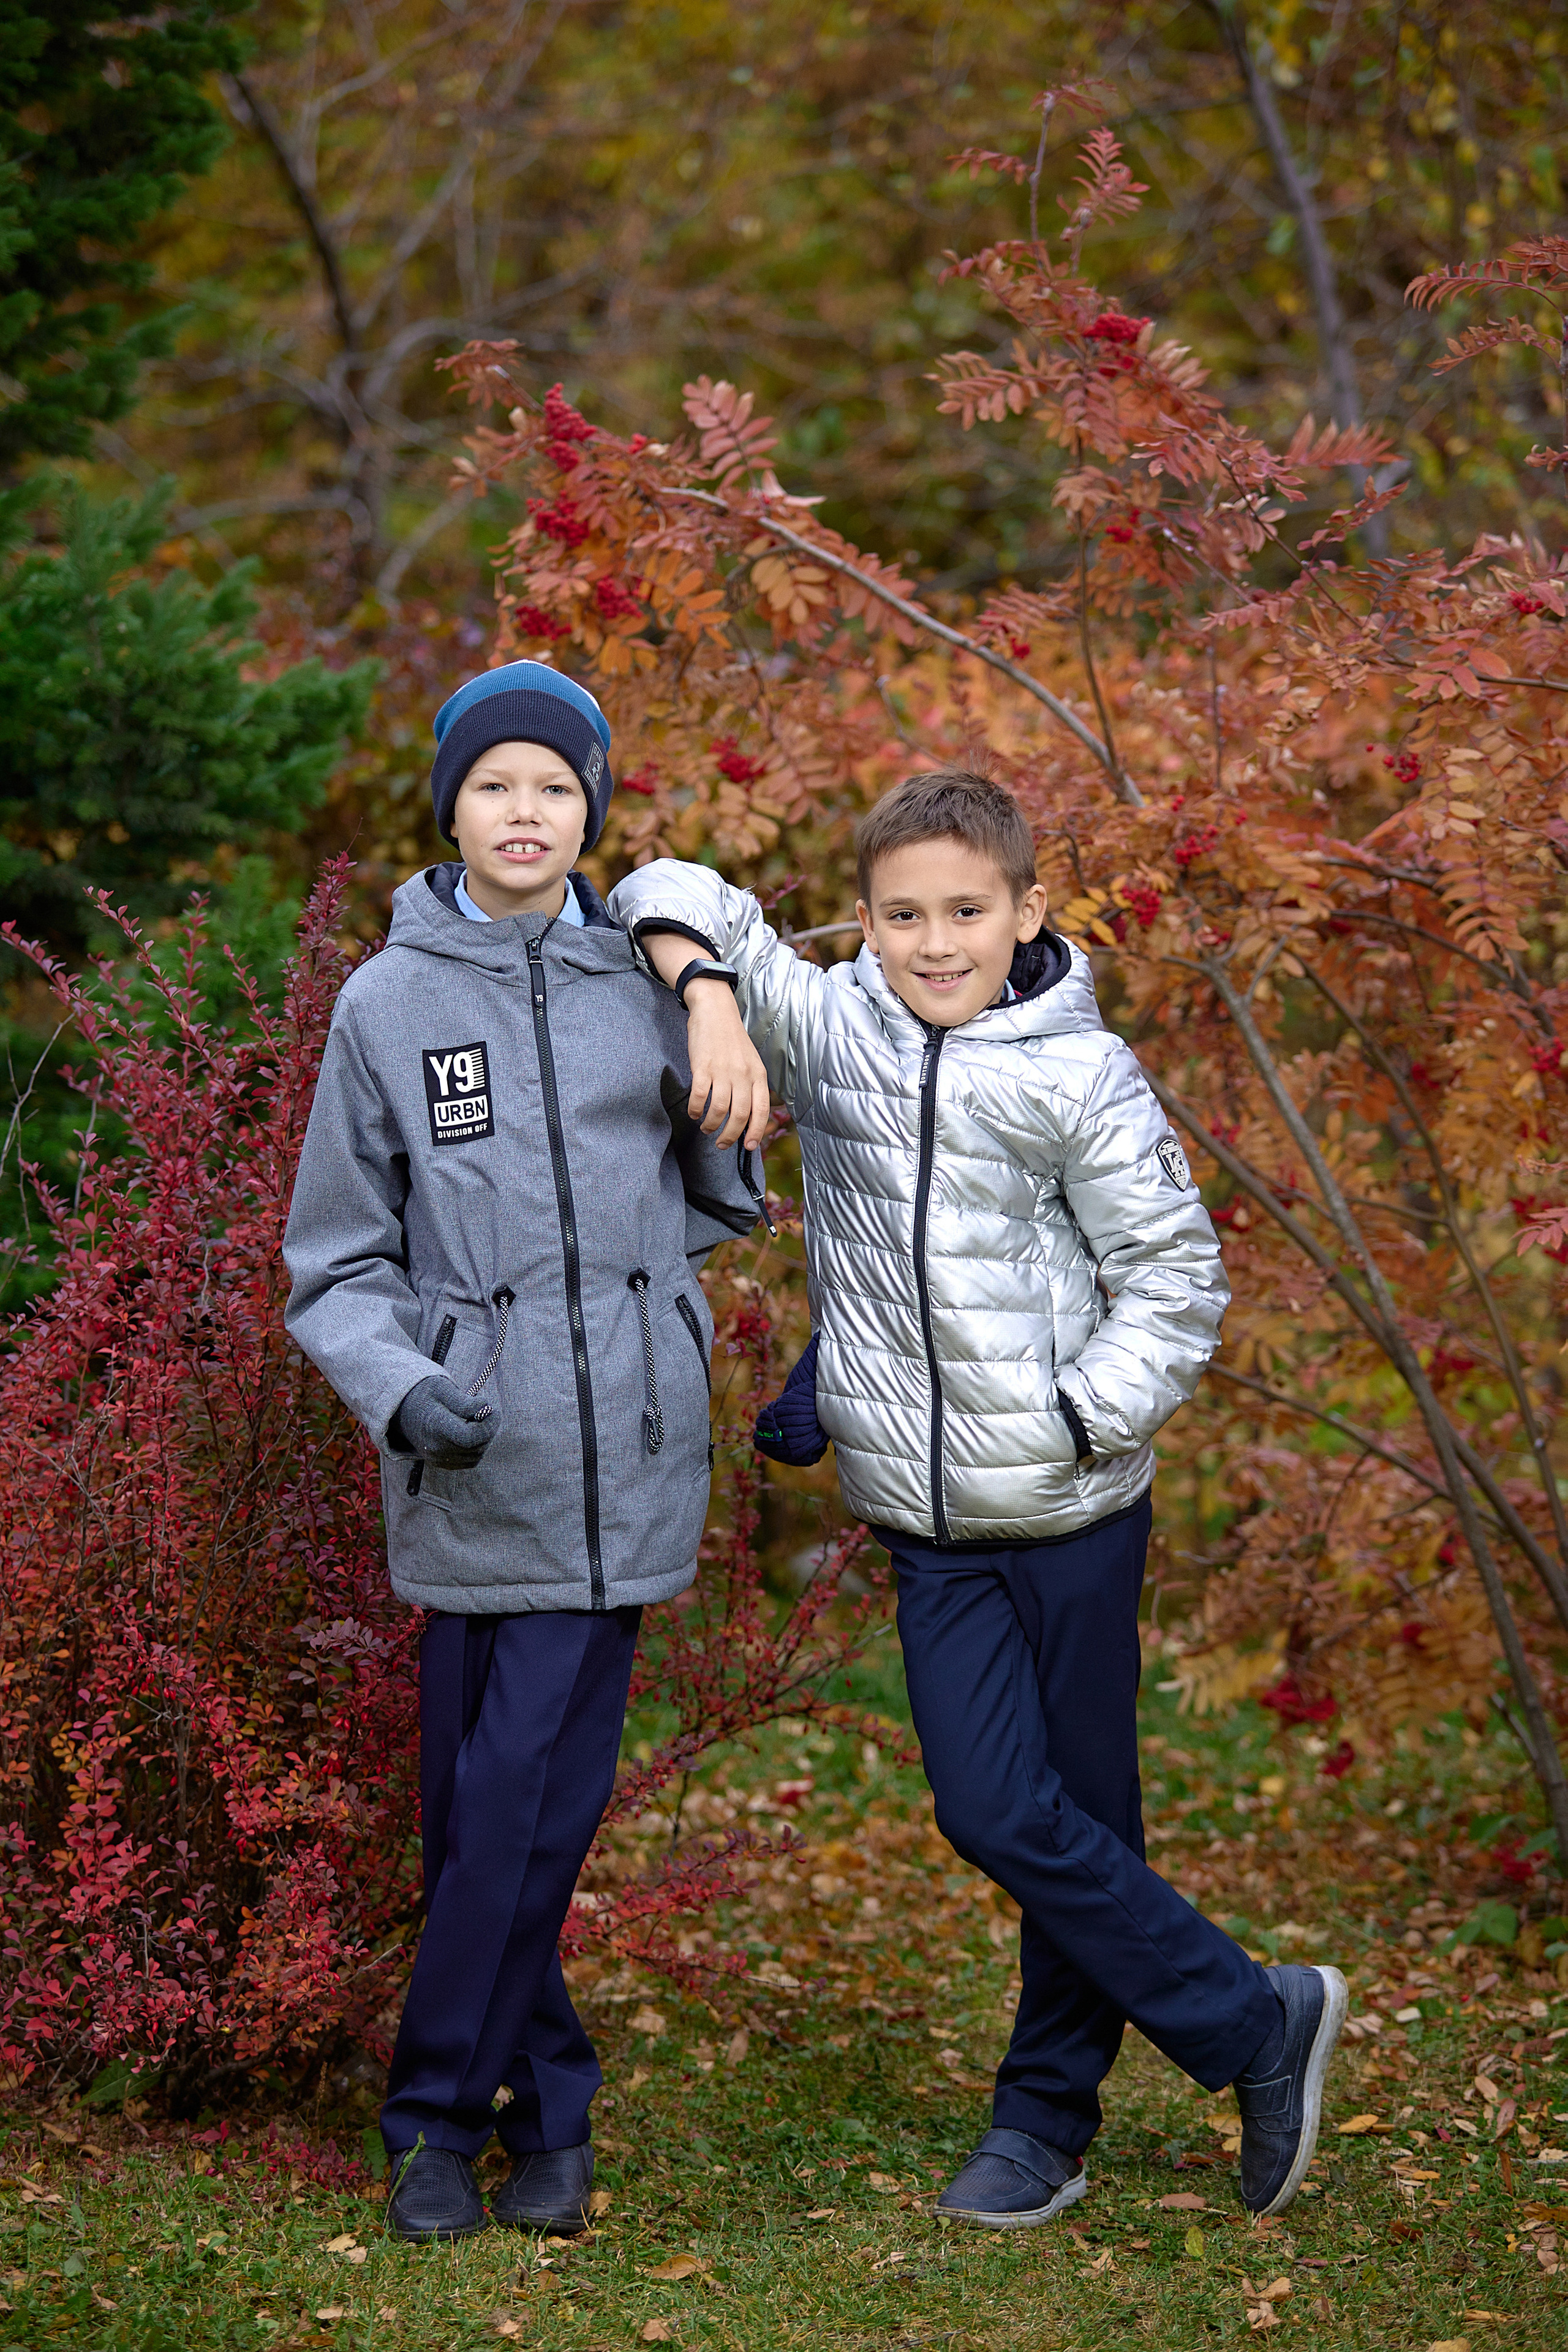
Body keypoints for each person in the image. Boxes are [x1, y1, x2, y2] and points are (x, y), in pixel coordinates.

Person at [606, 768, 1346, 2228]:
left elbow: (1176, 1287)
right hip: (926, 1528)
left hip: (1072, 1514)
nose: (933, 942)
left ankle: (1041, 2122)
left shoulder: (1082, 1077)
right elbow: (660, 882)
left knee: (1082, 1822)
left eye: (963, 910)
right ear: (863, 920)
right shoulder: (832, 1031)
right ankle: (1255, 2020)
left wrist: (1077, 1418)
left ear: (1026, 912)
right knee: (992, 1808)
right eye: (899, 915)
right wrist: (705, 995)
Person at [282, 661, 762, 2244]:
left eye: (557, 787)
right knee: (483, 1813)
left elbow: (711, 1182)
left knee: (516, 1805)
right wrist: (409, 1385)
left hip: (617, 1455)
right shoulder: (388, 1004)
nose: (526, 811)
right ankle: (546, 2105)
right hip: (468, 1458)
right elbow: (336, 1263)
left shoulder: (644, 973)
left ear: (593, 813)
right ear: (450, 807)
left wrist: (699, 990)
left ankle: (433, 2123)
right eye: (496, 784)